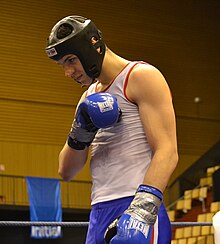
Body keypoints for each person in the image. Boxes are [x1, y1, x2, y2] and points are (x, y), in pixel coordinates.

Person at [46, 15, 179, 244]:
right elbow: (66, 171)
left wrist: (140, 213)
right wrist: (81, 131)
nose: (68, 72)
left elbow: (167, 151)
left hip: (137, 205)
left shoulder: (140, 76)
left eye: (70, 60)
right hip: (98, 212)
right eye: (62, 66)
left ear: (93, 45)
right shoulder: (87, 98)